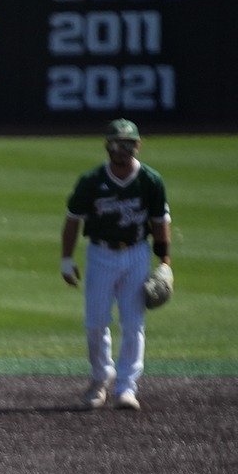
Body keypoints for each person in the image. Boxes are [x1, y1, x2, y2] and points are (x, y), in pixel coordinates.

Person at [61, 119, 170, 410]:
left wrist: (165, 262)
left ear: (138, 146)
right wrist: (67, 259)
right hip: (100, 254)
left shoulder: (150, 180)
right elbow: (73, 219)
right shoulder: (91, 181)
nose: (123, 149)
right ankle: (100, 380)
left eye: (129, 143)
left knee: (133, 323)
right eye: (117, 143)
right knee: (96, 323)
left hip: (136, 253)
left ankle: (126, 387)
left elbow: (160, 223)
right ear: (107, 145)